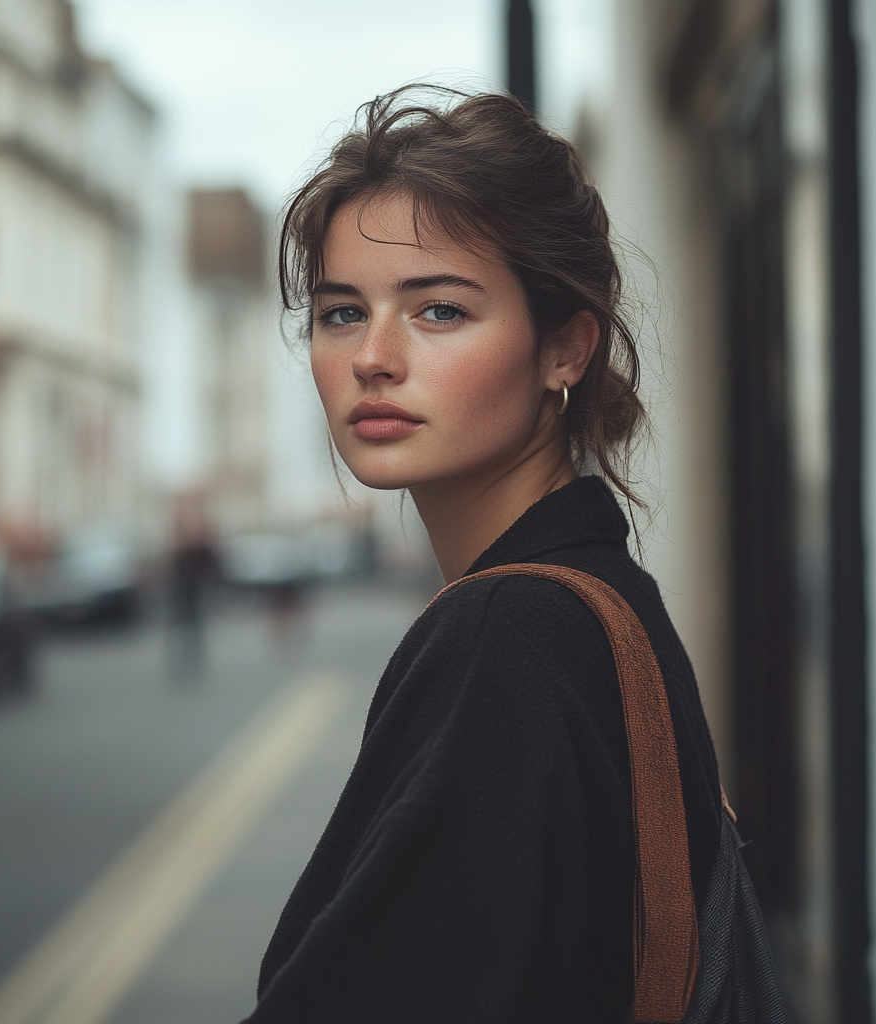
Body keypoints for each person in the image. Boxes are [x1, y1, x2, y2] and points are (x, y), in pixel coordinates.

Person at [242, 87, 729, 1023]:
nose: (373, 357)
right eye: (342, 313)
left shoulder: (509, 633)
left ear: (565, 347)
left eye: (439, 312)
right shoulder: (600, 597)